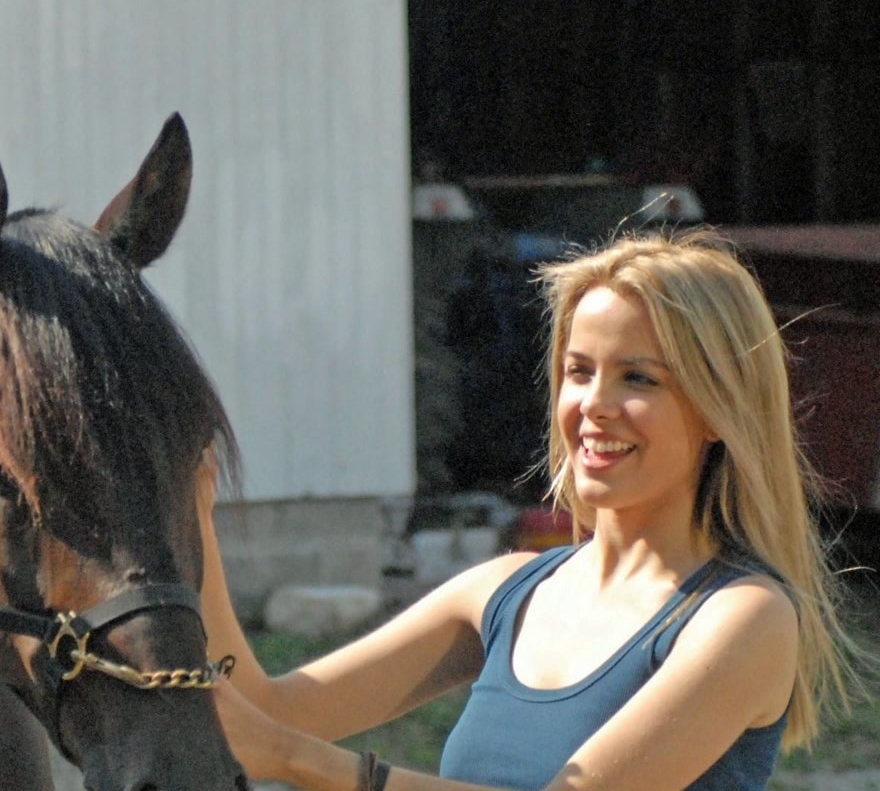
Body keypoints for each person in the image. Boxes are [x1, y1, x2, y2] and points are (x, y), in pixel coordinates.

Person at [203, 230, 863, 789]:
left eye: (639, 378)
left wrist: (295, 762)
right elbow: (267, 710)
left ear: (719, 408)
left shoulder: (742, 618)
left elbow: (277, 741)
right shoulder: (504, 591)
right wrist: (191, 511)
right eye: (579, 371)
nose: (594, 405)